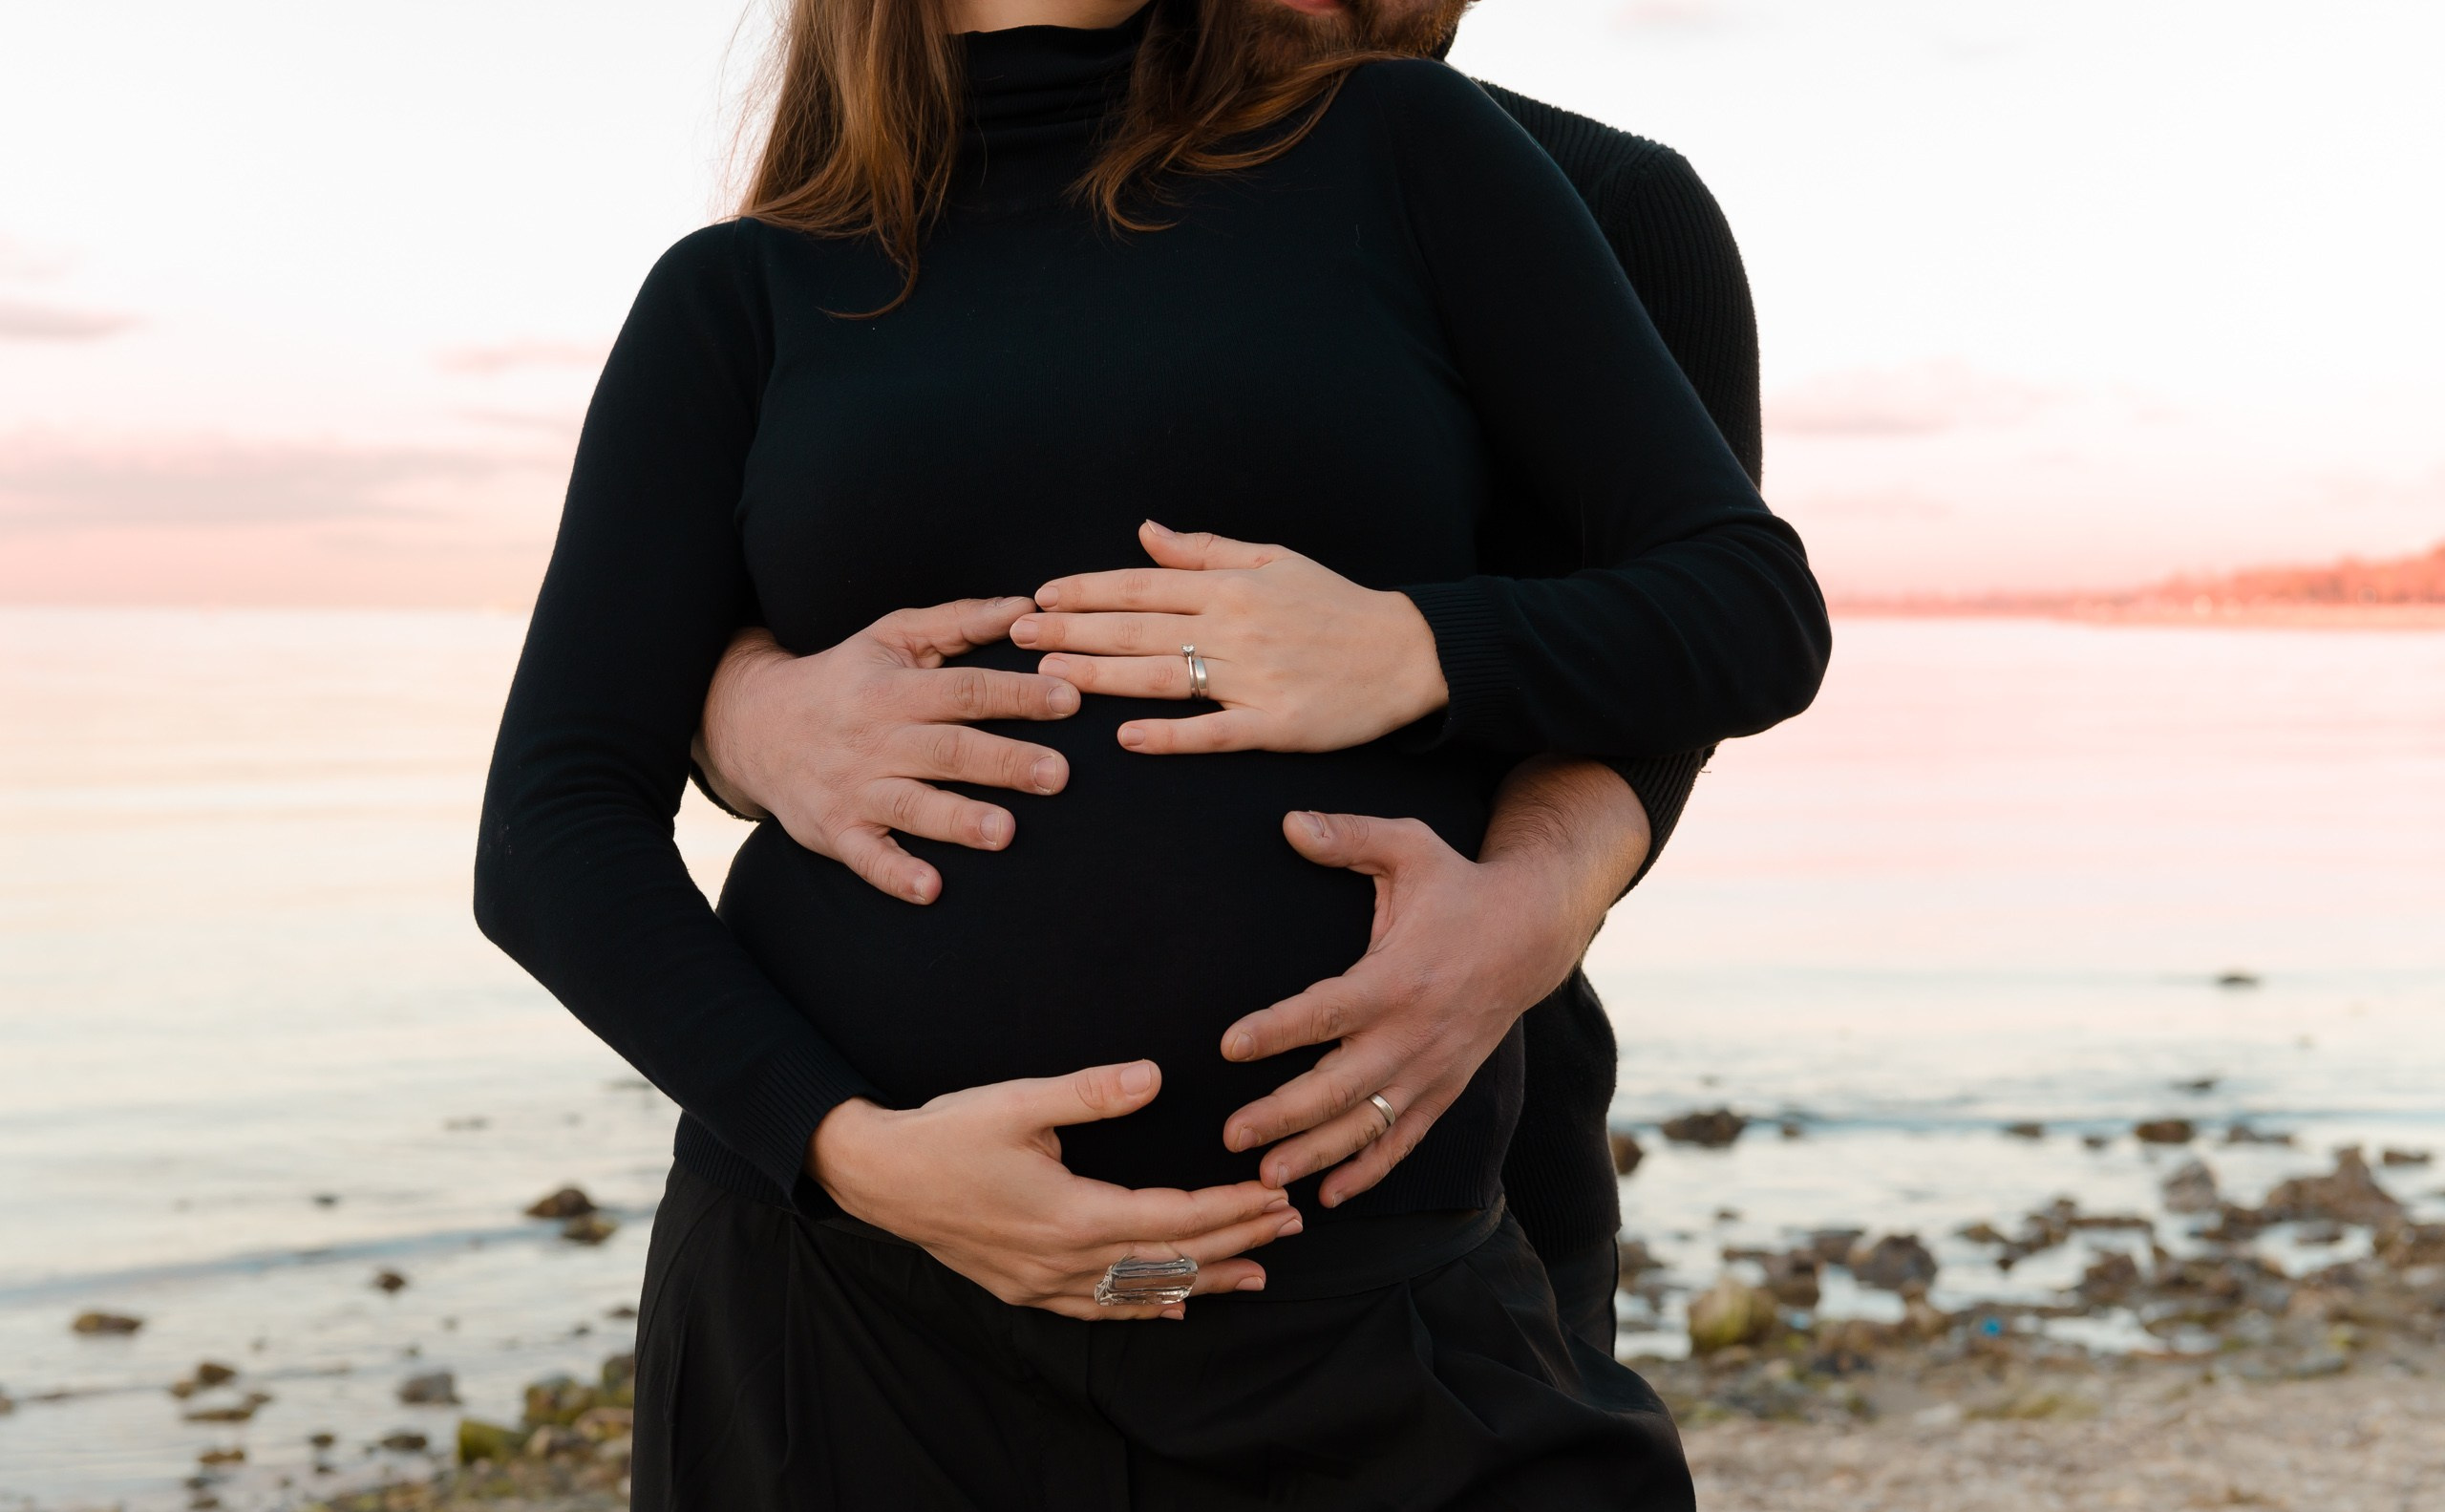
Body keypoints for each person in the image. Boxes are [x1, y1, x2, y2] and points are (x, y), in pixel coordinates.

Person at [474, 0, 1826, 1512]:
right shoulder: (745, 289)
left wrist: (1411, 648)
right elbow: (553, 818)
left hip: (1367, 1315)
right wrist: (849, 1152)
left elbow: (1744, 608)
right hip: (856, 1337)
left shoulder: (1416, 156)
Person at [688, 0, 1770, 1354]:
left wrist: (1531, 900)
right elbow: (727, 600)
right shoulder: (943, 210)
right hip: (886, 1263)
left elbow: (1688, 652)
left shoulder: (1593, 197)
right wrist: (741, 712)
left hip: (1423, 1156)